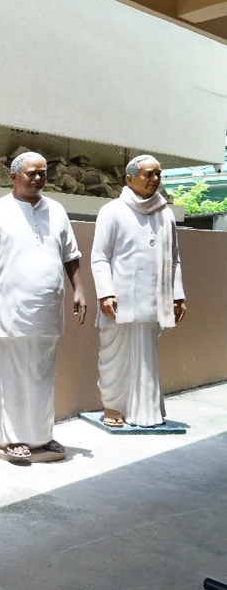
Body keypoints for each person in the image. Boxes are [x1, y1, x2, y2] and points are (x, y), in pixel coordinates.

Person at [0, 152, 86, 460]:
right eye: (31, 173)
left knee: (43, 375)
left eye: (42, 173)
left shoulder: (57, 210)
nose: (37, 178)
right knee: (13, 375)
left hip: (48, 308)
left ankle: (42, 436)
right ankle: (10, 439)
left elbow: (70, 255)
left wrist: (79, 289)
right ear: (14, 176)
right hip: (11, 308)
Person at [91, 154, 186, 427]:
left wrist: (177, 294)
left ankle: (147, 410)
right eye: (148, 174)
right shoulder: (112, 211)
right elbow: (99, 256)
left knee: (147, 357)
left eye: (158, 174)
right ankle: (113, 406)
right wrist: (105, 293)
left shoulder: (165, 213)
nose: (155, 179)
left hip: (153, 300)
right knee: (114, 357)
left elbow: (174, 259)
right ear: (129, 179)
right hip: (119, 301)